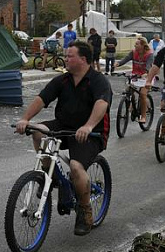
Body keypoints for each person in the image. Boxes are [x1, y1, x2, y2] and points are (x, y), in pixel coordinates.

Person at [15, 40, 112, 236]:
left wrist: (88, 125)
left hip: (90, 133)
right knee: (36, 130)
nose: (65, 59)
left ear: (83, 59)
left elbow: (101, 103)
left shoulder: (98, 80)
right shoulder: (63, 80)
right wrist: (25, 119)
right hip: (64, 126)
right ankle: (48, 174)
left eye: (70, 56)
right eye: (66, 56)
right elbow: (42, 99)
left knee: (76, 168)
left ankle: (84, 211)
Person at [116, 37, 154, 123]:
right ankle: (132, 104)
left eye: (137, 44)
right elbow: (126, 59)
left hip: (146, 76)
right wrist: (118, 64)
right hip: (135, 75)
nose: (135, 45)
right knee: (129, 89)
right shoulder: (133, 52)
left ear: (143, 45)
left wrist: (146, 73)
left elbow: (149, 66)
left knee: (143, 94)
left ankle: (143, 116)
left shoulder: (149, 54)